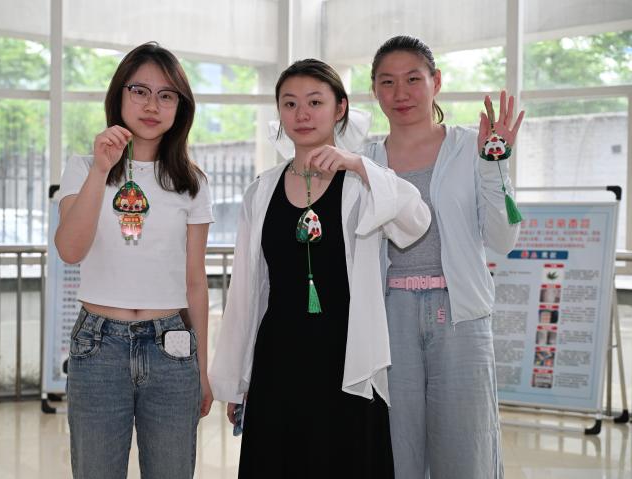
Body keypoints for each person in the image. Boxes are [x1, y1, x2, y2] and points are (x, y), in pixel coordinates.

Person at [209, 58, 431, 478]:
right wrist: (238, 378)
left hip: (346, 358)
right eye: (290, 104)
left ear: (339, 107)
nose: (302, 114)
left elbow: (416, 221)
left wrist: (359, 165)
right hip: (278, 359)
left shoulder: (362, 184)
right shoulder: (261, 190)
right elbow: (247, 293)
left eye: (315, 102)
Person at [364, 35, 524, 478]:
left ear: (436, 82)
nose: (400, 93)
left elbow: (503, 238)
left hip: (461, 315)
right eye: (387, 82)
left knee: (466, 451)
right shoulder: (365, 160)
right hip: (389, 316)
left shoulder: (472, 147)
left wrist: (495, 164)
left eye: (413, 79)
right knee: (396, 449)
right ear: (374, 90)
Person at [55, 42, 213, 479]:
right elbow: (70, 249)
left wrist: (201, 369)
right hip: (98, 346)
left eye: (166, 95)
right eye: (140, 91)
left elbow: (195, 282)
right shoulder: (83, 167)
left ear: (181, 106)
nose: (152, 105)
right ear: (119, 95)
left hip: (172, 348)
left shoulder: (191, 182)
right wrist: (101, 169)